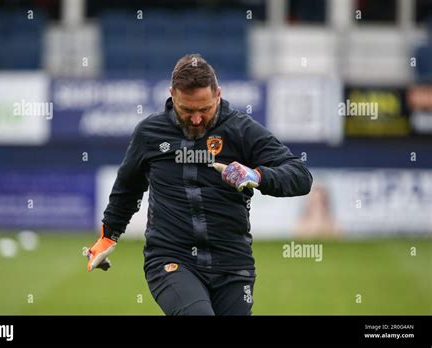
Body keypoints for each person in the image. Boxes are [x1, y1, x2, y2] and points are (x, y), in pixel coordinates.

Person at [84, 53, 313, 315]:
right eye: (187, 110)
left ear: (218, 95)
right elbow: (127, 188)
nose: (196, 119)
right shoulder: (149, 134)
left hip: (232, 263)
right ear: (172, 95)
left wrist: (257, 176)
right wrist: (108, 235)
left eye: (204, 110)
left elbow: (300, 175)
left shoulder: (241, 130)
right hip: (171, 259)